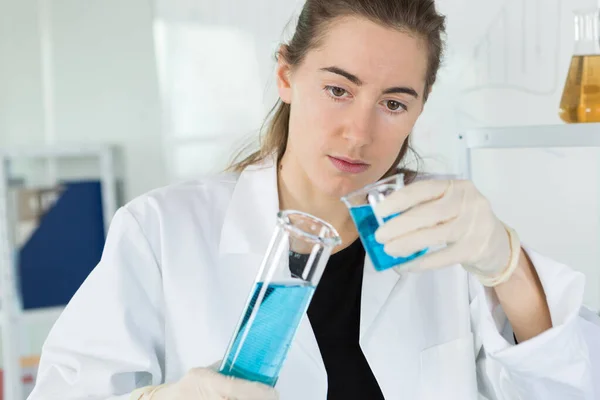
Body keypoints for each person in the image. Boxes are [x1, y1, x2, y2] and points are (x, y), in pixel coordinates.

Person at [29, 0, 596, 399]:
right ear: (285, 75)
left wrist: (506, 264)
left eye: (394, 103)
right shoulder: (162, 230)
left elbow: (569, 386)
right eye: (337, 89)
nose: (358, 131)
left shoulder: (447, 232)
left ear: (419, 110)